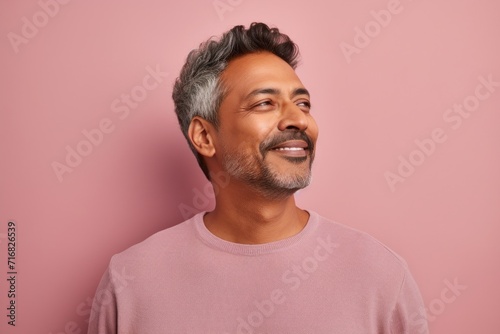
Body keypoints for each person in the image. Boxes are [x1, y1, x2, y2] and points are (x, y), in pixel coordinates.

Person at [88, 22, 429, 334]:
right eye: (265, 103)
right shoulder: (131, 282)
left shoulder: (381, 275)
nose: (298, 120)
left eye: (304, 103)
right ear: (205, 137)